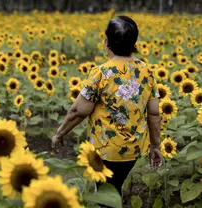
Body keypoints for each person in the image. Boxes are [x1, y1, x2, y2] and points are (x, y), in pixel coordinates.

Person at [51, 16, 164, 195]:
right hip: (133, 151)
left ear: (107, 42)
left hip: (106, 152)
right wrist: (156, 146)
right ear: (134, 42)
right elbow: (154, 113)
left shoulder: (101, 73)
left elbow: (78, 110)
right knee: (113, 190)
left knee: (105, 195)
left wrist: (59, 134)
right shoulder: (146, 71)